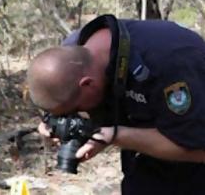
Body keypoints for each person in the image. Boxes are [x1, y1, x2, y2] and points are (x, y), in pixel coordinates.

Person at [27, 14, 205, 195]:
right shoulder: (71, 55)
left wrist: (117, 136)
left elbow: (198, 149)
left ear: (87, 83)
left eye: (75, 110)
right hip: (144, 161)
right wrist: (51, 120)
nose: (75, 115)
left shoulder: (171, 61)